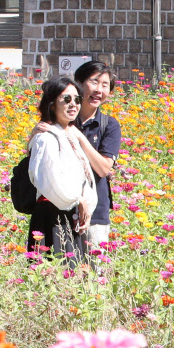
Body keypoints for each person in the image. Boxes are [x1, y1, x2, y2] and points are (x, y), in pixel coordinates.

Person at [27, 76, 97, 267]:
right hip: (52, 218)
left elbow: (83, 178)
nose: (73, 104)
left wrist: (85, 205)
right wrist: (78, 199)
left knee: (76, 279)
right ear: (51, 104)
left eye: (77, 99)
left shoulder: (70, 135)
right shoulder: (46, 138)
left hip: (71, 216)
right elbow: (52, 182)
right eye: (66, 99)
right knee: (56, 277)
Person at [72, 60, 122, 249]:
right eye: (94, 82)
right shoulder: (59, 120)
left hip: (96, 213)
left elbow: (103, 168)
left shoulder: (109, 125)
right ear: (78, 83)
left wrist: (78, 137)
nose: (99, 90)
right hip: (60, 209)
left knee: (96, 273)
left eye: (105, 85)